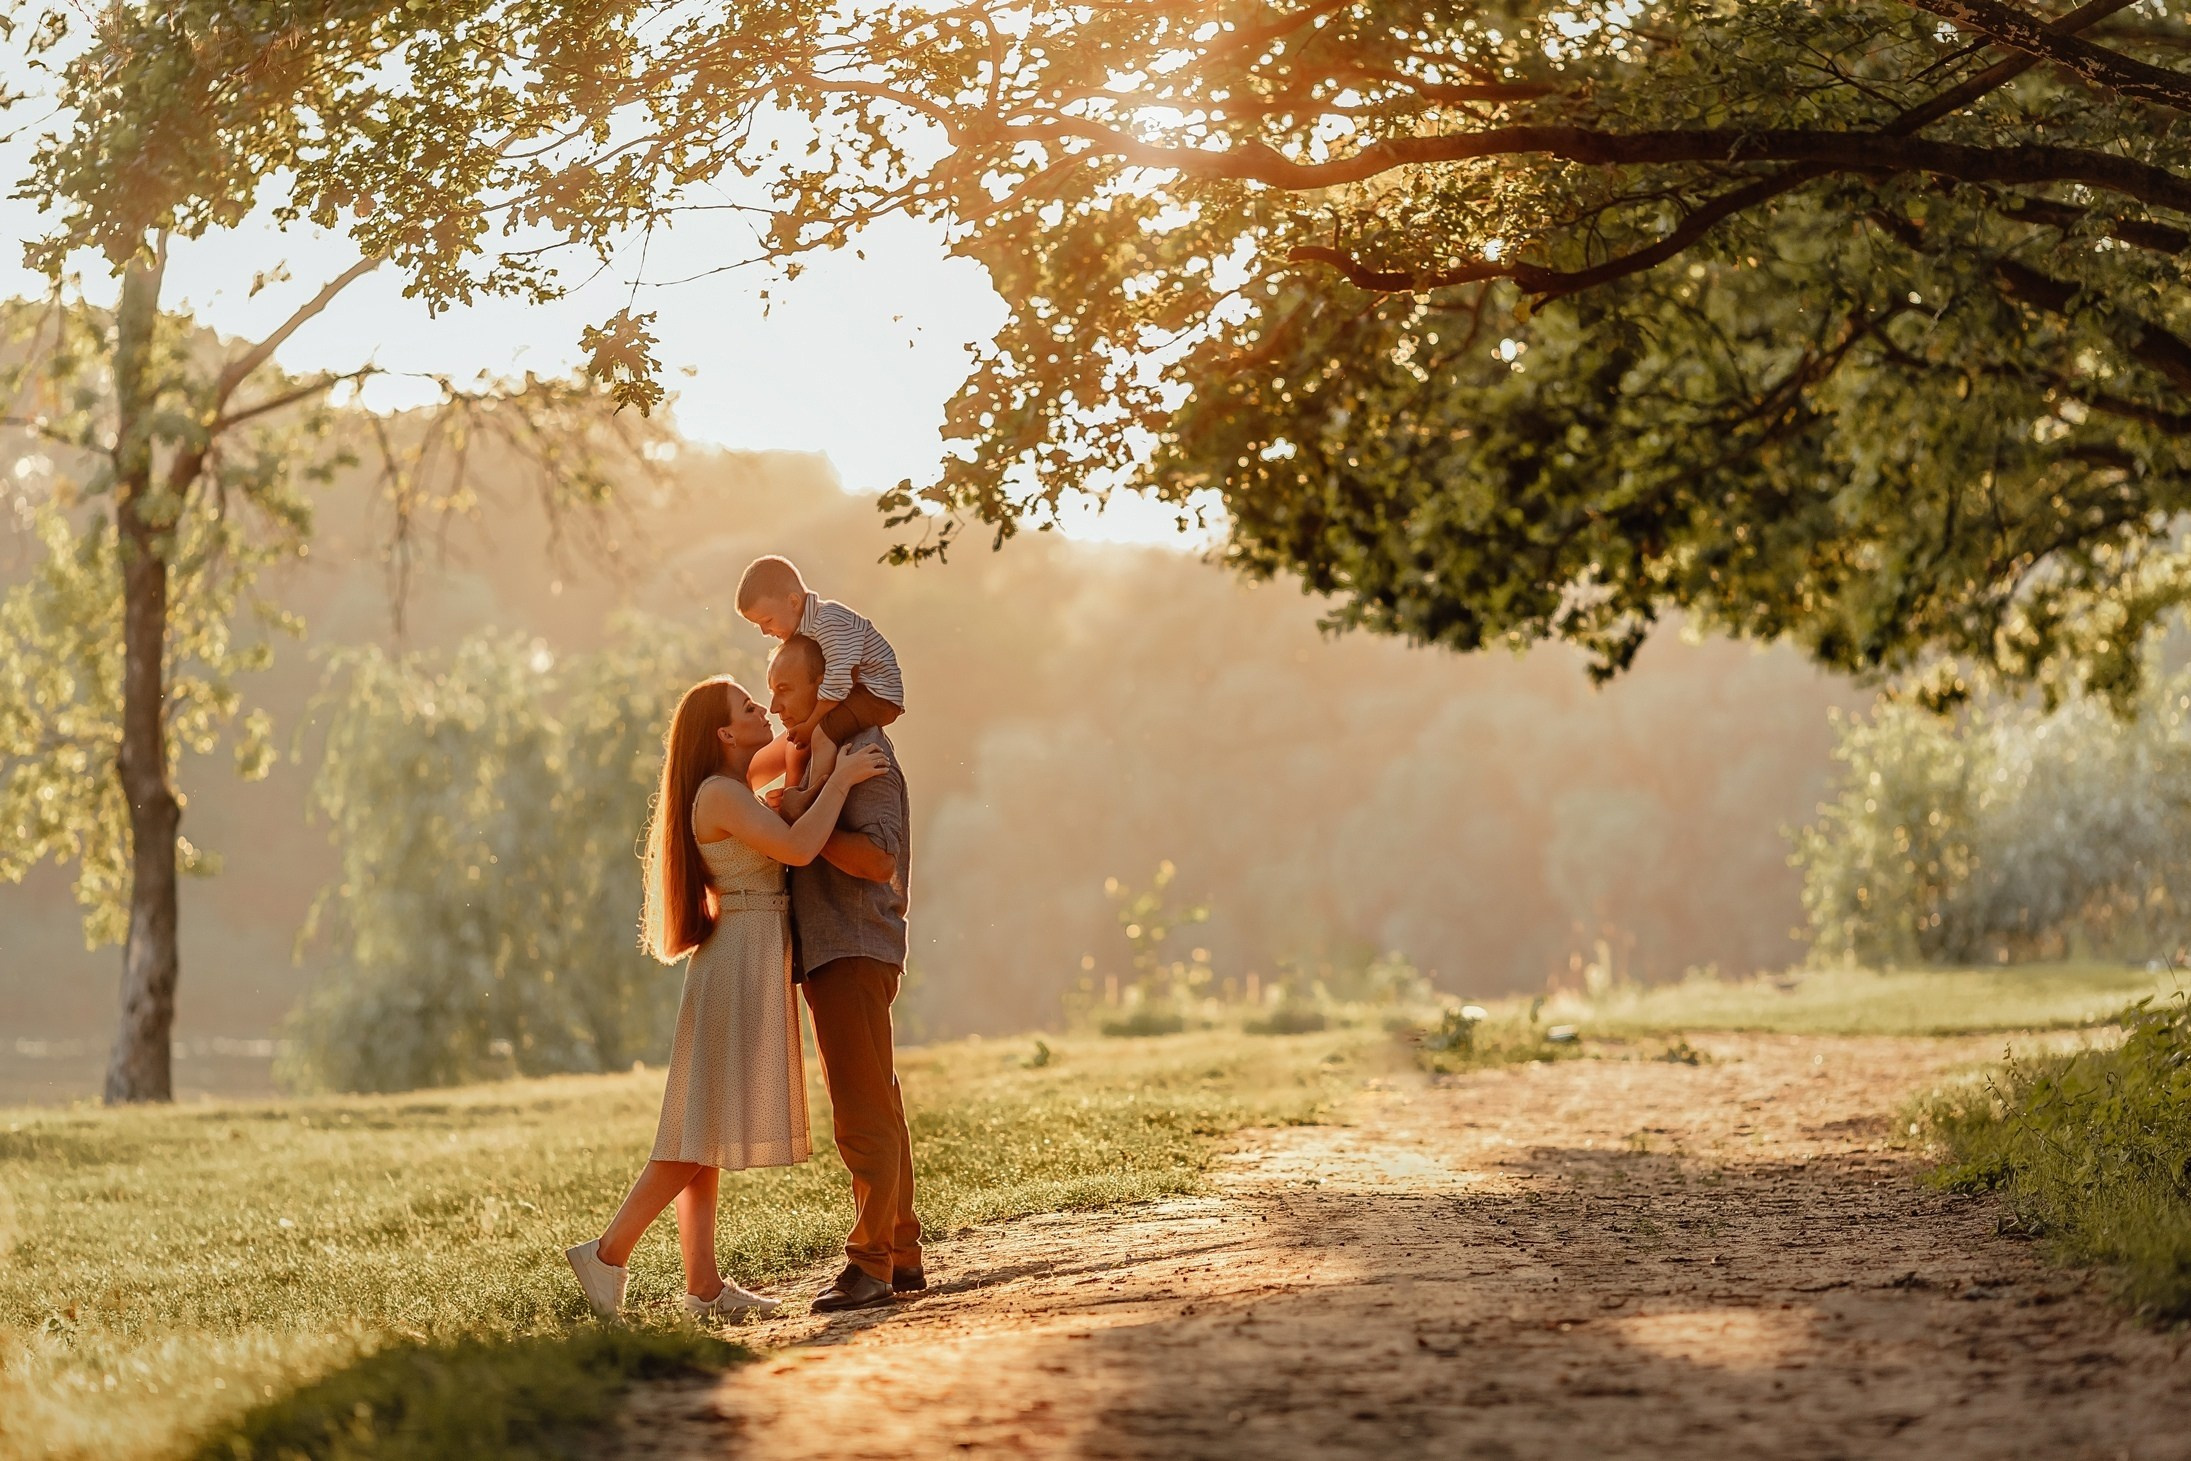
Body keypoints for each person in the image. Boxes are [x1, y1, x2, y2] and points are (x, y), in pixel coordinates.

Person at [564, 676, 888, 1320]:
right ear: (722, 733)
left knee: (702, 1133)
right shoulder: (718, 793)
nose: (762, 710)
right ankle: (606, 1254)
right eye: (748, 708)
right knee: (692, 1137)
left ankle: (704, 1288)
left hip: (749, 954)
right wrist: (845, 783)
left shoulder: (734, 784)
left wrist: (834, 731)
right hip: (738, 958)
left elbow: (802, 750)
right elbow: (797, 847)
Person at [753, 634, 922, 1313]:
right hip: (838, 951)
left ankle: (869, 1264)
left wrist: (801, 820)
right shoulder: (820, 757)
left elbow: (880, 859)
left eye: (785, 689)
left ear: (824, 688)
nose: (773, 704)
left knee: (860, 1113)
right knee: (878, 1102)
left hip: (853, 948)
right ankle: (900, 1252)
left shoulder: (864, 754)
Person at [735, 555, 905, 748]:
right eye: (759, 626)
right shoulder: (808, 630)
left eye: (767, 621)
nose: (765, 632)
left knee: (821, 735)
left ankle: (824, 779)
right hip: (859, 689)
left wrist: (812, 723)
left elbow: (841, 675)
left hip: (876, 693)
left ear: (793, 602)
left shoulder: (827, 622)